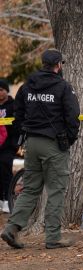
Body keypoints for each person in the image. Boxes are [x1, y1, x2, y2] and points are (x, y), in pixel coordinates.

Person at [1, 49, 80, 249]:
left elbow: (18, 114)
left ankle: (11, 228)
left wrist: (23, 133)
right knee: (56, 190)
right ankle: (53, 237)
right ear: (59, 65)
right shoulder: (63, 87)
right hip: (53, 143)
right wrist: (68, 139)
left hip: (32, 143)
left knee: (30, 189)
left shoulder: (28, 86)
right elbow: (73, 116)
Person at [0, 79, 17, 213]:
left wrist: (15, 144)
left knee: (6, 171)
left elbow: (17, 125)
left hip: (8, 146)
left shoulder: (13, 106)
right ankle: (1, 199)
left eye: (1, 90)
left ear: (6, 91)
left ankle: (7, 199)